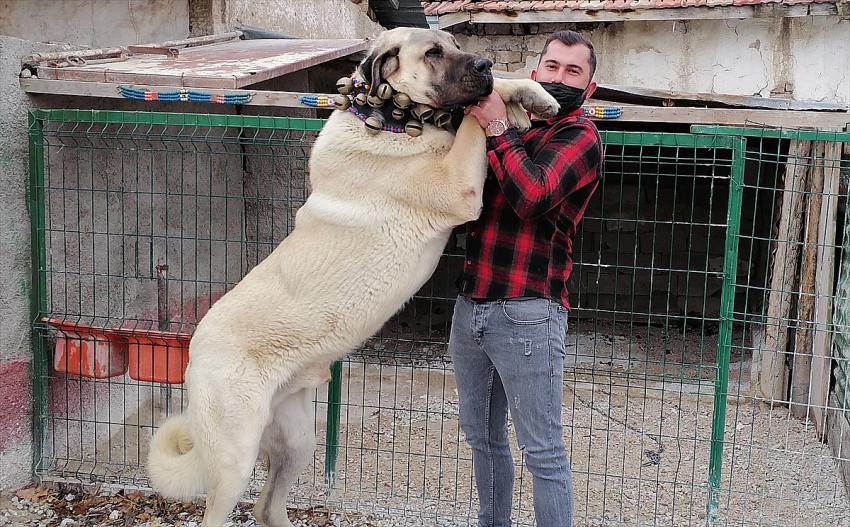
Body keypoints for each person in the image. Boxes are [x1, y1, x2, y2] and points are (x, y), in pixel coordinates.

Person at [449, 30, 603, 527]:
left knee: (543, 450)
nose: (560, 77)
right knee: (483, 439)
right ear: (535, 75)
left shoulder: (580, 137)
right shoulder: (516, 127)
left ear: (589, 87)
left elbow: (533, 195)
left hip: (528, 310)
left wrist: (496, 127)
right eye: (552, 67)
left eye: (573, 71)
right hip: (471, 304)